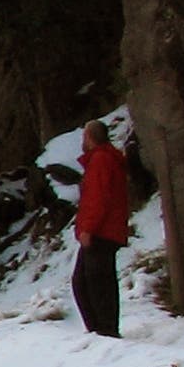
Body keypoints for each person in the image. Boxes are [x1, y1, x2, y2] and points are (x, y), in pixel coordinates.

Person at [72, 120, 131, 338]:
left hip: (101, 231)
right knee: (89, 280)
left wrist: (88, 228)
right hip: (105, 229)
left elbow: (98, 198)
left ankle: (104, 330)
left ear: (90, 137)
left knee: (94, 282)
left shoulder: (101, 160)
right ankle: (101, 329)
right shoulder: (104, 159)